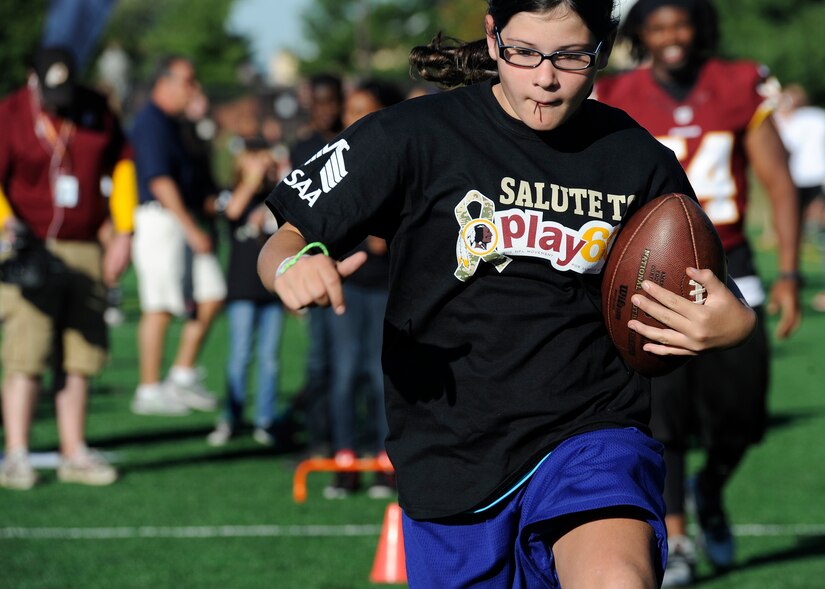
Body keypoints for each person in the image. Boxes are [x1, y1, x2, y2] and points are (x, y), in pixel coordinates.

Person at [258, 1, 756, 586]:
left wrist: (734, 324)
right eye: (524, 53)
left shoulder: (639, 160)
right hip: (449, 448)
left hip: (591, 431)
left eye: (571, 56)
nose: (545, 77)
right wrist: (294, 262)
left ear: (605, 45)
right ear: (493, 39)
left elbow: (706, 286)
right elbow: (287, 234)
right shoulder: (411, 135)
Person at [595, 0, 802, 584]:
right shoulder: (615, 93)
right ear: (640, 35)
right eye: (658, 26)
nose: (671, 36)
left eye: (681, 23)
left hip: (729, 265)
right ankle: (679, 535)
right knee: (663, 414)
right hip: (648, 275)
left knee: (742, 415)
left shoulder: (738, 83)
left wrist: (788, 273)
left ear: (701, 28)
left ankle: (708, 489)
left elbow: (778, 182)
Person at [0, 46, 134, 489]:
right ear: (32, 80)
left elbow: (123, 162)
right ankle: (17, 453)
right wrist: (5, 222)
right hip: (29, 248)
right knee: (26, 351)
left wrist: (125, 231)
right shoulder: (11, 114)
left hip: (84, 245)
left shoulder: (95, 110)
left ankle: (73, 451)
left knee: (80, 354)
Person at [129, 55, 226, 416]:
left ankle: (181, 376)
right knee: (159, 307)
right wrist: (190, 228)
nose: (193, 89)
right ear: (164, 82)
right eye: (188, 81)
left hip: (180, 218)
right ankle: (149, 389)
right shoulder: (151, 121)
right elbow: (159, 179)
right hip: (161, 219)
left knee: (212, 293)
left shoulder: (177, 123)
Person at [323, 80, 404, 499]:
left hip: (388, 286)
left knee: (379, 377)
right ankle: (343, 461)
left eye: (366, 109)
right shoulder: (334, 165)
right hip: (347, 287)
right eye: (351, 110)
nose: (357, 119)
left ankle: (384, 463)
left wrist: (389, 230)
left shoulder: (397, 158)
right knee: (343, 376)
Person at [206, 138, 285, 447]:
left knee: (269, 359)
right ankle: (232, 416)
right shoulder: (231, 193)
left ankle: (265, 419)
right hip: (241, 289)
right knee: (239, 355)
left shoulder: (278, 195)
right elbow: (233, 210)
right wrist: (251, 181)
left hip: (272, 291)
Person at [288, 73, 345, 457]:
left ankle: (358, 443)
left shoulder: (355, 142)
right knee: (320, 362)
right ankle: (321, 440)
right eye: (318, 103)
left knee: (358, 367)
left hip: (354, 272)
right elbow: (293, 218)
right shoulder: (303, 147)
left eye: (331, 102)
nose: (325, 110)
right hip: (317, 270)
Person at [775, 83, 825, 311]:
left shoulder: (807, 119)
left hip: (812, 179)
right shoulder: (791, 120)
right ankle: (787, 285)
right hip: (796, 181)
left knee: (816, 232)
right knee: (792, 233)